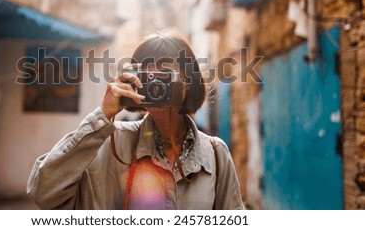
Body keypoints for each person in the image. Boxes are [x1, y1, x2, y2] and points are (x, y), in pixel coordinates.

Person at [27, 31, 244, 210]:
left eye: (165, 74)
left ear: (188, 82)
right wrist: (103, 116)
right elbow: (43, 192)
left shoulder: (215, 154)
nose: (155, 84)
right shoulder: (108, 142)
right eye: (146, 76)